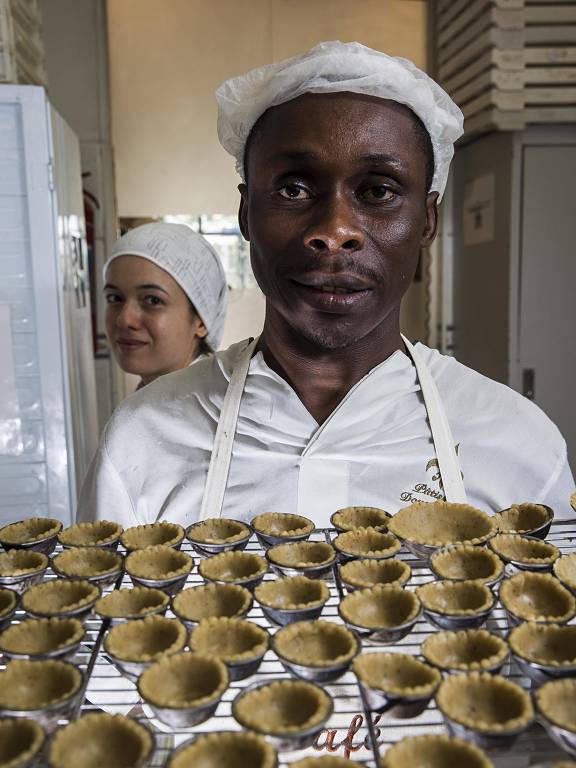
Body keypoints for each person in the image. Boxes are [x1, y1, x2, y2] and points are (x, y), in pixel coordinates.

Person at [78, 41, 574, 528]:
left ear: (427, 221)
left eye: (378, 190)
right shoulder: (143, 440)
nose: (335, 231)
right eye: (294, 189)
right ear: (246, 213)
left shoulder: (516, 443)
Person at [103, 223, 227, 389]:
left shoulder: (211, 411)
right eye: (115, 298)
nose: (125, 320)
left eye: (153, 300)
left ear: (201, 321)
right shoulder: (151, 399)